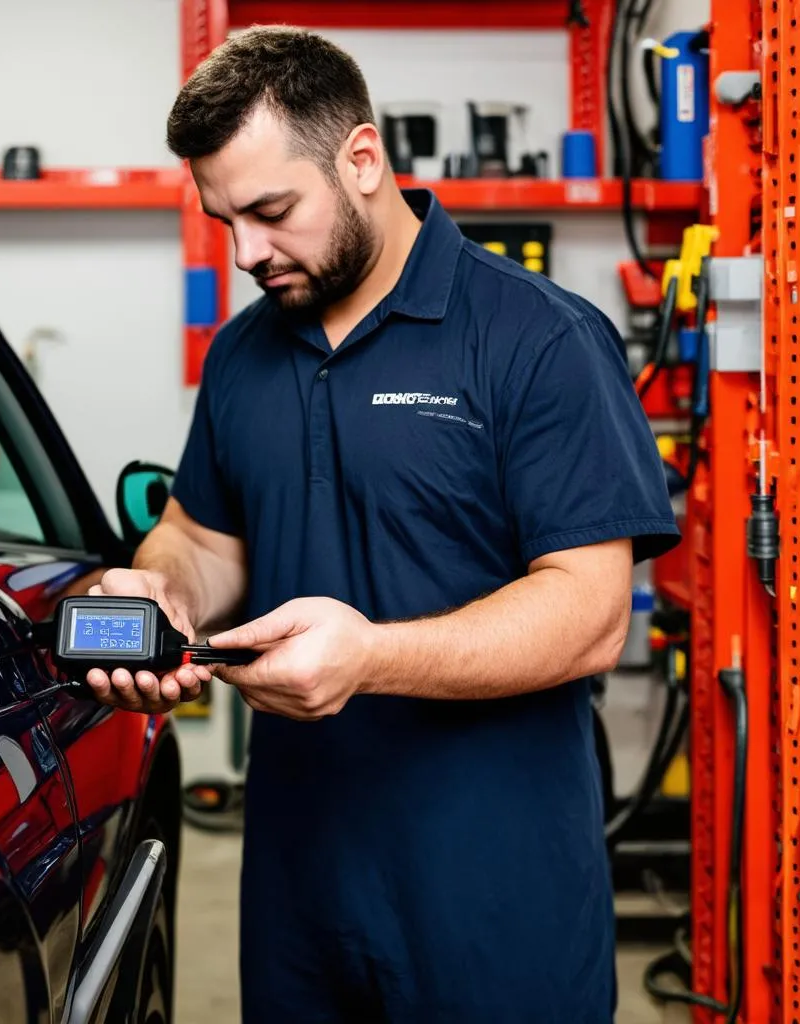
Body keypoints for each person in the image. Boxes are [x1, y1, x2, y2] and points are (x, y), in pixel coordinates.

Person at [86, 25, 680, 1023]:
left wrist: (367, 657)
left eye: (272, 211)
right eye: (223, 219)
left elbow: (588, 616)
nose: (246, 253)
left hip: (494, 901)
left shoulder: (536, 339)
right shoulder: (242, 356)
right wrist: (161, 588)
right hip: (299, 893)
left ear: (362, 159)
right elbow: (202, 536)